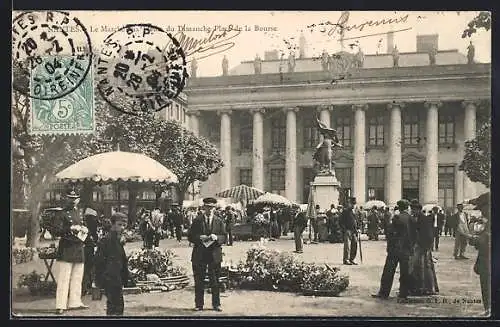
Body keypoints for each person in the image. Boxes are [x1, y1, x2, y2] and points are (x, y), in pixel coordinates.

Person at [187, 197, 226, 312]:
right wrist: (199, 237)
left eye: (212, 208)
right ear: (203, 207)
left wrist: (217, 238)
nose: (209, 210)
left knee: (215, 281)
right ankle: (199, 304)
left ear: (215, 208)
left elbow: (224, 236)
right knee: (199, 280)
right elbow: (190, 236)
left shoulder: (219, 221)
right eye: (207, 207)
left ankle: (216, 304)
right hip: (200, 254)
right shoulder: (197, 220)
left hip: (214, 254)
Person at [55, 190, 88, 314]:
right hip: (67, 248)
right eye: (70, 197)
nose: (73, 200)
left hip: (79, 247)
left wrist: (84, 229)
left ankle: (75, 302)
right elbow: (56, 230)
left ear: (78, 199)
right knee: (64, 278)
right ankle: (60, 305)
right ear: (66, 198)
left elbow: (83, 225)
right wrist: (69, 228)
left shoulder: (79, 213)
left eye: (75, 198)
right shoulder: (62, 213)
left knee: (77, 277)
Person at [372, 199, 413, 299]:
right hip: (406, 249)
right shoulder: (411, 218)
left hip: (395, 249)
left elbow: (390, 233)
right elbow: (413, 234)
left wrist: (389, 246)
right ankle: (404, 293)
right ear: (407, 207)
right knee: (404, 272)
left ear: (399, 207)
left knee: (388, 272)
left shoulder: (396, 218)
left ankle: (384, 293)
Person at [95, 212, 130, 316]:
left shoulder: (118, 239)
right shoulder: (106, 240)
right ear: (112, 224)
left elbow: (122, 260)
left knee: (117, 305)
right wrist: (100, 279)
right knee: (115, 306)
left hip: (117, 277)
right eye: (119, 225)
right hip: (110, 278)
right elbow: (99, 261)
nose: (122, 228)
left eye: (124, 225)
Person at [410, 202, 439, 296]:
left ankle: (427, 288)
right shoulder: (421, 218)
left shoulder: (423, 219)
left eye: (413, 210)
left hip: (423, 246)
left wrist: (426, 247)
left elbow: (428, 234)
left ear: (418, 210)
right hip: (422, 246)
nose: (412, 211)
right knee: (424, 267)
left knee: (424, 266)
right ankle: (426, 287)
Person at [82, 208, 99, 296]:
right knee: (87, 269)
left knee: (88, 269)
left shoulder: (89, 227)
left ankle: (87, 287)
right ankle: (86, 288)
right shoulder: (88, 228)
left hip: (89, 249)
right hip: (87, 250)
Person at [339, 197, 358, 265]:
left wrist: (357, 229)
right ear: (349, 204)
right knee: (347, 246)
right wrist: (344, 229)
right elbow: (340, 221)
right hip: (348, 230)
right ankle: (346, 259)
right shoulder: (345, 211)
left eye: (354, 204)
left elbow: (356, 221)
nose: (353, 205)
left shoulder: (354, 211)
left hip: (354, 231)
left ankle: (352, 259)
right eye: (352, 204)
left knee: (354, 245)